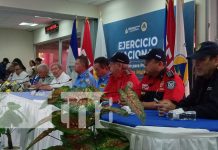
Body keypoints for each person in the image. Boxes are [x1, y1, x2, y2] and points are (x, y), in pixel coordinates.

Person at [156, 41, 218, 119]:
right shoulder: (201, 78)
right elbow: (190, 100)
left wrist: (178, 109)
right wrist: (171, 106)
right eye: (196, 59)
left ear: (216, 60)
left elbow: (214, 110)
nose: (196, 64)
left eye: (202, 59)